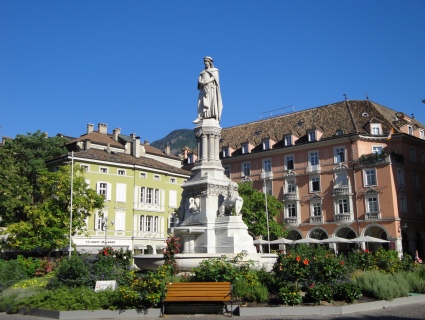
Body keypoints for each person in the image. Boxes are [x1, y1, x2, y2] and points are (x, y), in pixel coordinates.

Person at [193, 56, 223, 123]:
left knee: (210, 102)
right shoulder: (202, 72)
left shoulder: (214, 70)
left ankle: (211, 115)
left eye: (206, 61)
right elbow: (199, 80)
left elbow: (214, 78)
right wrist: (201, 81)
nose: (205, 63)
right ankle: (201, 116)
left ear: (209, 62)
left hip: (211, 89)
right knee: (201, 103)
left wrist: (206, 81)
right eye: (204, 61)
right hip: (204, 89)